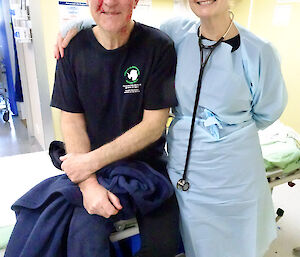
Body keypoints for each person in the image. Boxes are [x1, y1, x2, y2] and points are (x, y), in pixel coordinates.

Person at [56, 0, 288, 256]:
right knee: (195, 245)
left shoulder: (259, 51)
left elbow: (267, 112)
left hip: (233, 172)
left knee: (238, 243)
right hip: (185, 171)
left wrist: (226, 131)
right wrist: (76, 24)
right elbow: (120, 19)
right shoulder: (176, 32)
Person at [6, 0, 180, 256]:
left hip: (146, 168)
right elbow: (72, 121)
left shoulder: (158, 47)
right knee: (83, 238)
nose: (108, 2)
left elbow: (153, 126)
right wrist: (88, 184)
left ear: (135, 1)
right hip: (92, 170)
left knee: (164, 244)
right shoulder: (72, 49)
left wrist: (88, 163)